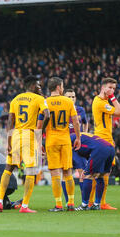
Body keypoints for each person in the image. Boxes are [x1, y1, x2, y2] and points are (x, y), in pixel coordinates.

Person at [0, 75, 50, 213]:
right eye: (38, 85)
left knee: (8, 168)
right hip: (29, 135)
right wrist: (40, 132)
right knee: (31, 171)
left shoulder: (15, 99)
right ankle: (24, 206)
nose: (39, 87)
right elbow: (47, 115)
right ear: (32, 86)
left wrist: (8, 142)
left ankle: (0, 202)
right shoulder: (39, 99)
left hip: (15, 136)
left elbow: (9, 122)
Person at [43, 77, 81, 212]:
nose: (63, 88)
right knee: (68, 173)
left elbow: (41, 123)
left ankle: (58, 204)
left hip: (51, 140)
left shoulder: (45, 102)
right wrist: (78, 137)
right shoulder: (68, 101)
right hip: (65, 140)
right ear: (59, 87)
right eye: (63, 86)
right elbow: (76, 122)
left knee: (55, 173)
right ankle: (71, 203)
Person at [91, 78, 120, 210]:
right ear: (103, 87)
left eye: (114, 88)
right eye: (110, 87)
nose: (112, 90)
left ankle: (100, 202)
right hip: (102, 139)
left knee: (105, 173)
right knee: (99, 173)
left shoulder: (103, 102)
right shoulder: (99, 102)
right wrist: (113, 97)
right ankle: (92, 201)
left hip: (107, 138)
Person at [72, 133, 115, 211]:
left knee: (87, 176)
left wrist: (84, 170)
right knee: (99, 176)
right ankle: (97, 204)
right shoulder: (81, 135)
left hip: (99, 149)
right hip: (110, 148)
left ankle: (84, 205)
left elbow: (78, 153)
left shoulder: (70, 138)